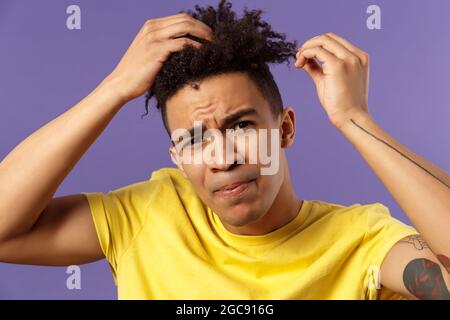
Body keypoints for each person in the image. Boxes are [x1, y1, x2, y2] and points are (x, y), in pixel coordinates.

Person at [0, 0, 449, 300]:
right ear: (176, 156)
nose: (223, 157)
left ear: (285, 128)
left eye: (242, 125)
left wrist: (354, 119)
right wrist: (115, 89)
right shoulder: (146, 215)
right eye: (194, 139)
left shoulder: (362, 242)